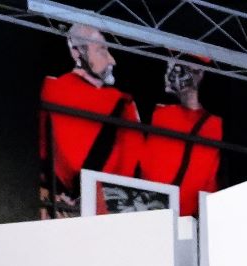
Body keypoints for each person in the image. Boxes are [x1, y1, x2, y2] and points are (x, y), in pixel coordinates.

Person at [39, 24, 141, 218]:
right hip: (63, 210)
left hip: (106, 212)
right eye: (101, 50)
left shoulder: (124, 104)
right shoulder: (51, 90)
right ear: (77, 52)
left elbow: (134, 167)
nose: (112, 60)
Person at [139, 58, 220, 216]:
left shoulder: (215, 124)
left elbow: (212, 180)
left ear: (200, 73)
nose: (171, 69)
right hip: (142, 207)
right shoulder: (156, 111)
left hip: (185, 218)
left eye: (180, 66)